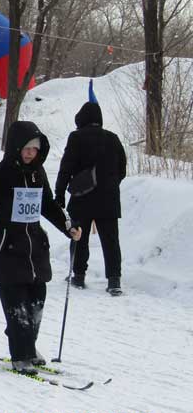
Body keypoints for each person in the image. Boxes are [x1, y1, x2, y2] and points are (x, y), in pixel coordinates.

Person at [0, 120, 82, 374]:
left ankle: (28, 346)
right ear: (16, 147)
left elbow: (48, 206)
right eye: (27, 148)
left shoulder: (37, 174)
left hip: (35, 250)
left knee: (36, 302)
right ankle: (20, 354)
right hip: (7, 249)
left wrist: (68, 226)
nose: (31, 153)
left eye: (35, 149)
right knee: (16, 305)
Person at [54, 101, 127, 296]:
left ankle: (78, 275)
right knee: (111, 240)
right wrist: (109, 185)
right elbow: (122, 169)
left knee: (78, 236)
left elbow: (66, 167)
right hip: (109, 199)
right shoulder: (113, 138)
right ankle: (114, 280)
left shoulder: (76, 137)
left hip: (82, 197)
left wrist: (59, 193)